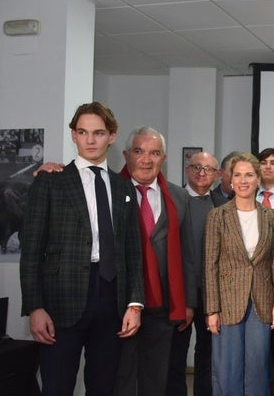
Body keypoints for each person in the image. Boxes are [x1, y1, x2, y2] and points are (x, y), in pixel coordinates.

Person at [20, 102, 144, 396]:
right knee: (57, 386)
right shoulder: (50, 182)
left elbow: (132, 251)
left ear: (112, 136)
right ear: (73, 135)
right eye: (83, 132)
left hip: (111, 299)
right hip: (60, 302)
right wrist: (34, 307)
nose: (91, 140)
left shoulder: (124, 187)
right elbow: (31, 250)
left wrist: (135, 303)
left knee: (103, 386)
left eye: (98, 133)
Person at [114, 126, 196, 396]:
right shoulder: (109, 191)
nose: (146, 159)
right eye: (139, 151)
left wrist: (187, 302)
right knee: (120, 376)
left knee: (156, 379)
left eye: (154, 153)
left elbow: (187, 252)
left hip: (163, 306)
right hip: (118, 303)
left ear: (164, 158)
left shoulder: (179, 196)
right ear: (126, 155)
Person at [204, 152, 274, 396]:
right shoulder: (218, 216)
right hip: (227, 303)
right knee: (227, 370)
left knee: (258, 369)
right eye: (237, 175)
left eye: (249, 175)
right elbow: (210, 265)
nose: (243, 180)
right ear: (230, 180)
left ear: (258, 179)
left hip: (261, 303)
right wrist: (211, 309)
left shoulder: (270, 216)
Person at [167, 151, 221, 396]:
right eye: (196, 167)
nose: (202, 173)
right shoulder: (172, 199)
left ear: (218, 175)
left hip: (212, 294)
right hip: (179, 292)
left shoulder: (222, 204)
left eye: (208, 169)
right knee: (175, 355)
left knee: (208, 356)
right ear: (187, 170)